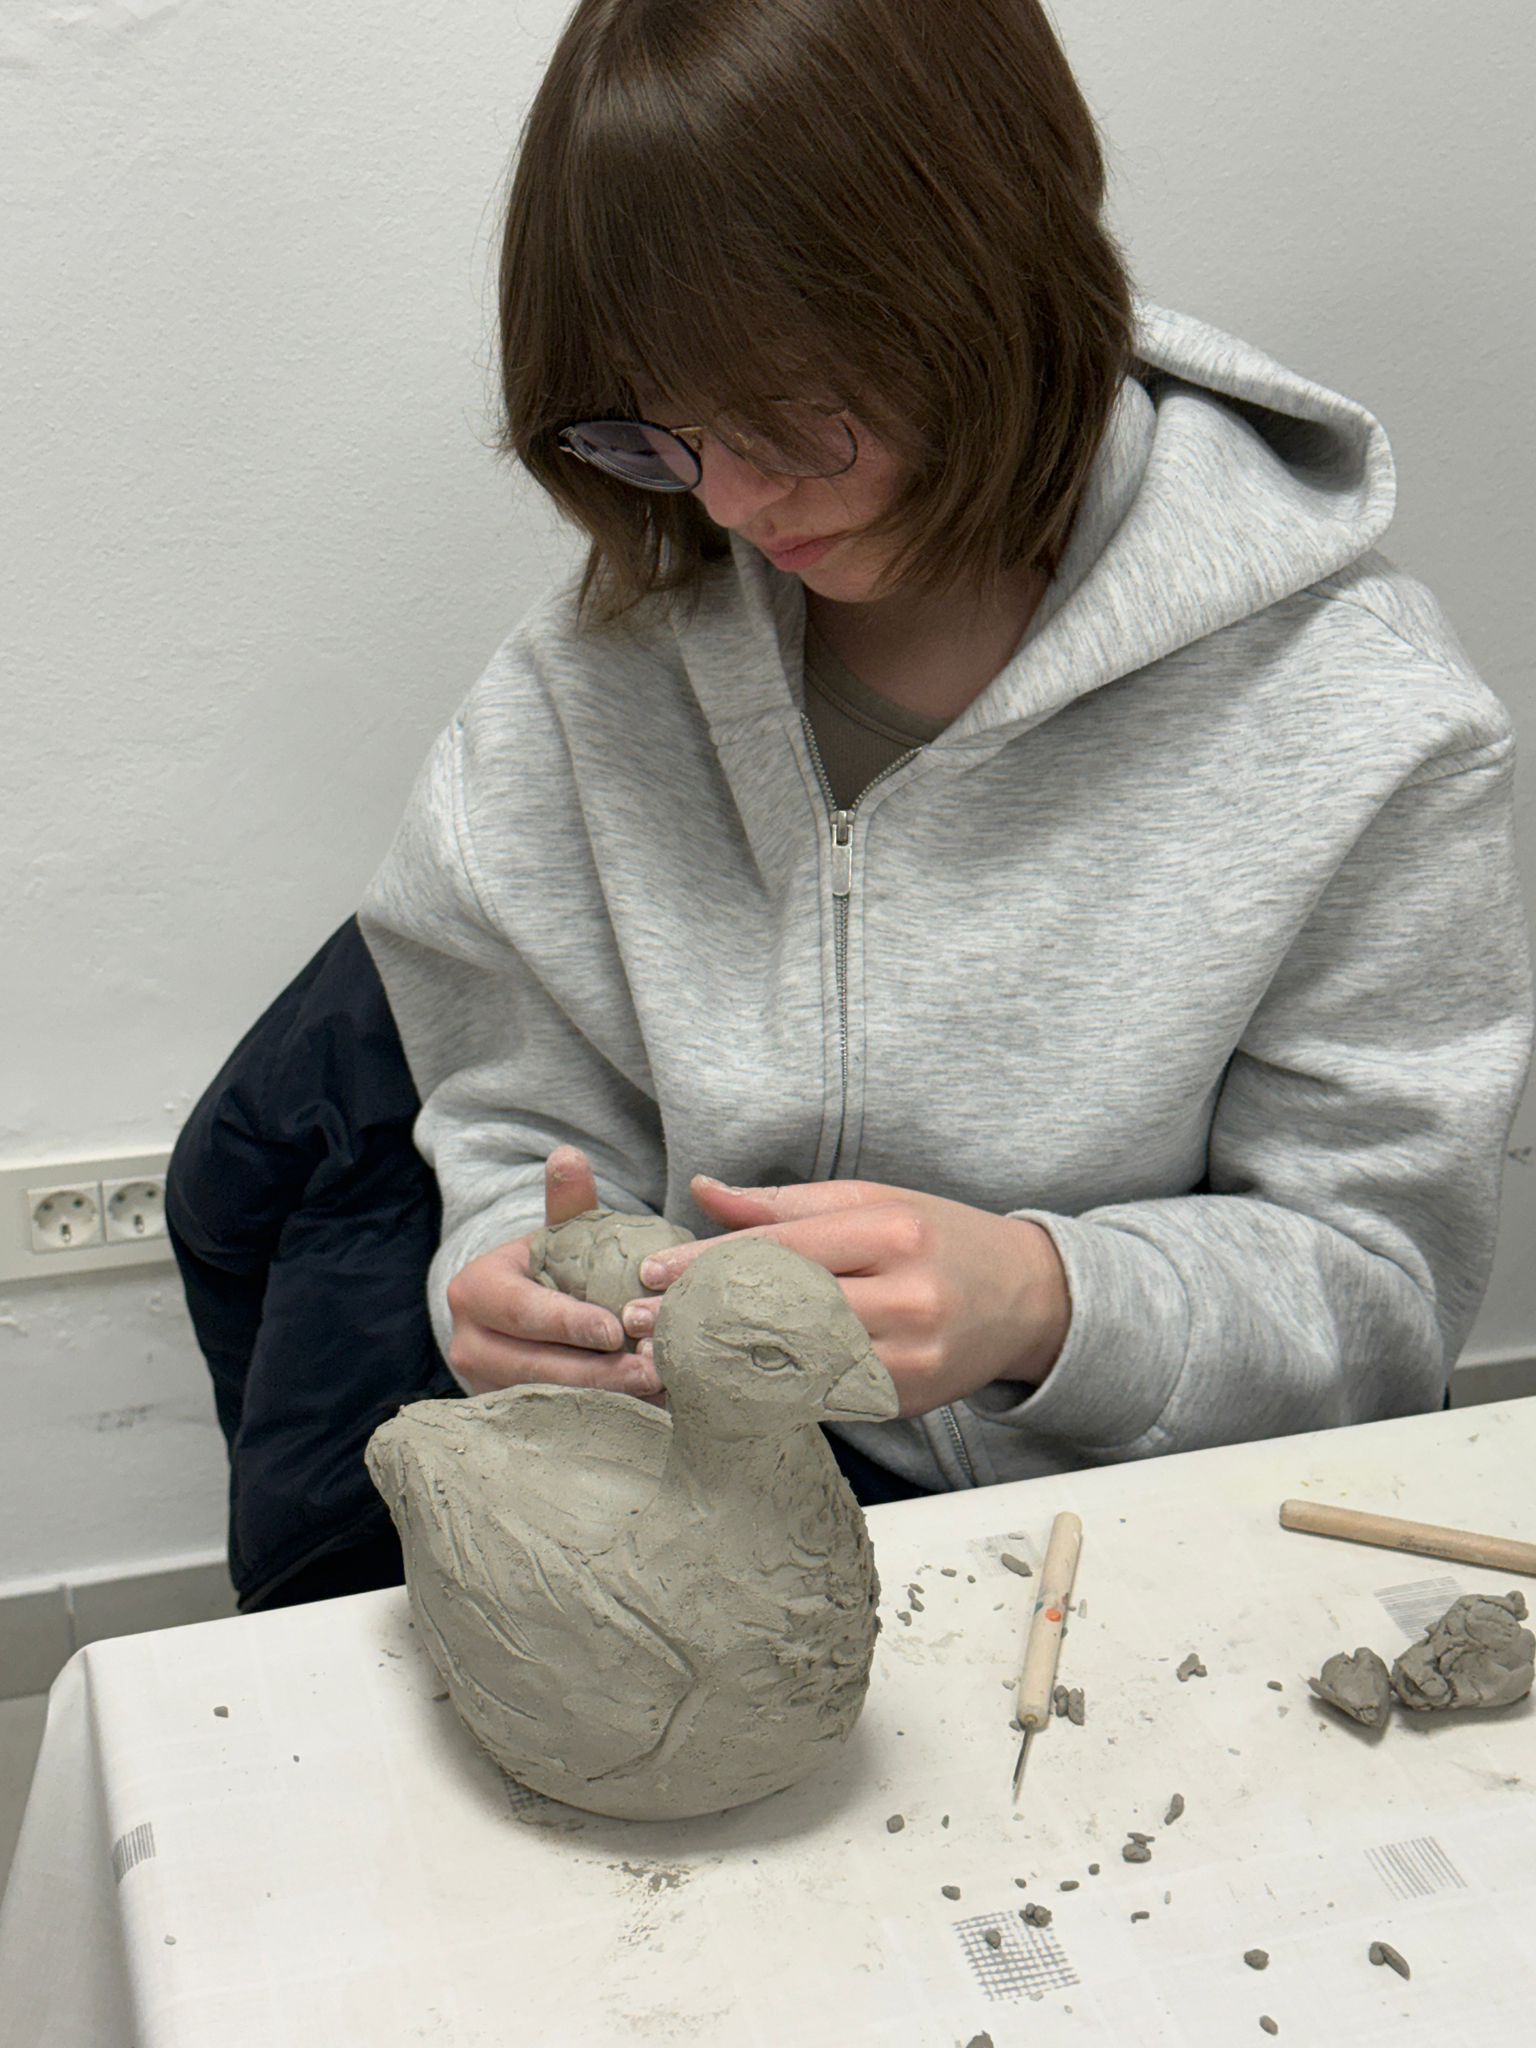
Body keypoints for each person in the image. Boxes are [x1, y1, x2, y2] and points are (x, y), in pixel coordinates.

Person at [357, 0, 1533, 1498]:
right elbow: (518, 1124)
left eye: (788, 416)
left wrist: (1047, 1301)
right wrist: (510, 1265)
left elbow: (1380, 1300)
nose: (727, 505)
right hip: (710, 1481)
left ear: (988, 286)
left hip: (1125, 1500)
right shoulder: (592, 677)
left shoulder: (1363, 718)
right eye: (652, 431)